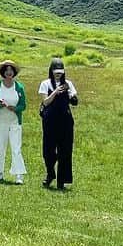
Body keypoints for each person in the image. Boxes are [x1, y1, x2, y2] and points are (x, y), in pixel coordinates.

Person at [38, 57, 78, 191]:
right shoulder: (45, 84)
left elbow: (74, 101)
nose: (58, 74)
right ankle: (50, 173)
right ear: (51, 71)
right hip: (50, 121)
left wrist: (71, 96)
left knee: (65, 151)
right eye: (56, 71)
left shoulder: (69, 84)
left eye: (60, 71)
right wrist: (56, 92)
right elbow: (45, 102)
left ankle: (62, 181)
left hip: (65, 121)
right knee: (48, 151)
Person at [0, 61, 27, 184]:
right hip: (0, 122)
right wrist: (1, 105)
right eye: (6, 70)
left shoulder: (19, 87)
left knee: (16, 148)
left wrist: (14, 108)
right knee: (0, 147)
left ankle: (19, 175)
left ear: (14, 73)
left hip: (15, 122)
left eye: (11, 70)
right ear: (3, 72)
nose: (9, 72)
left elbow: (23, 105)